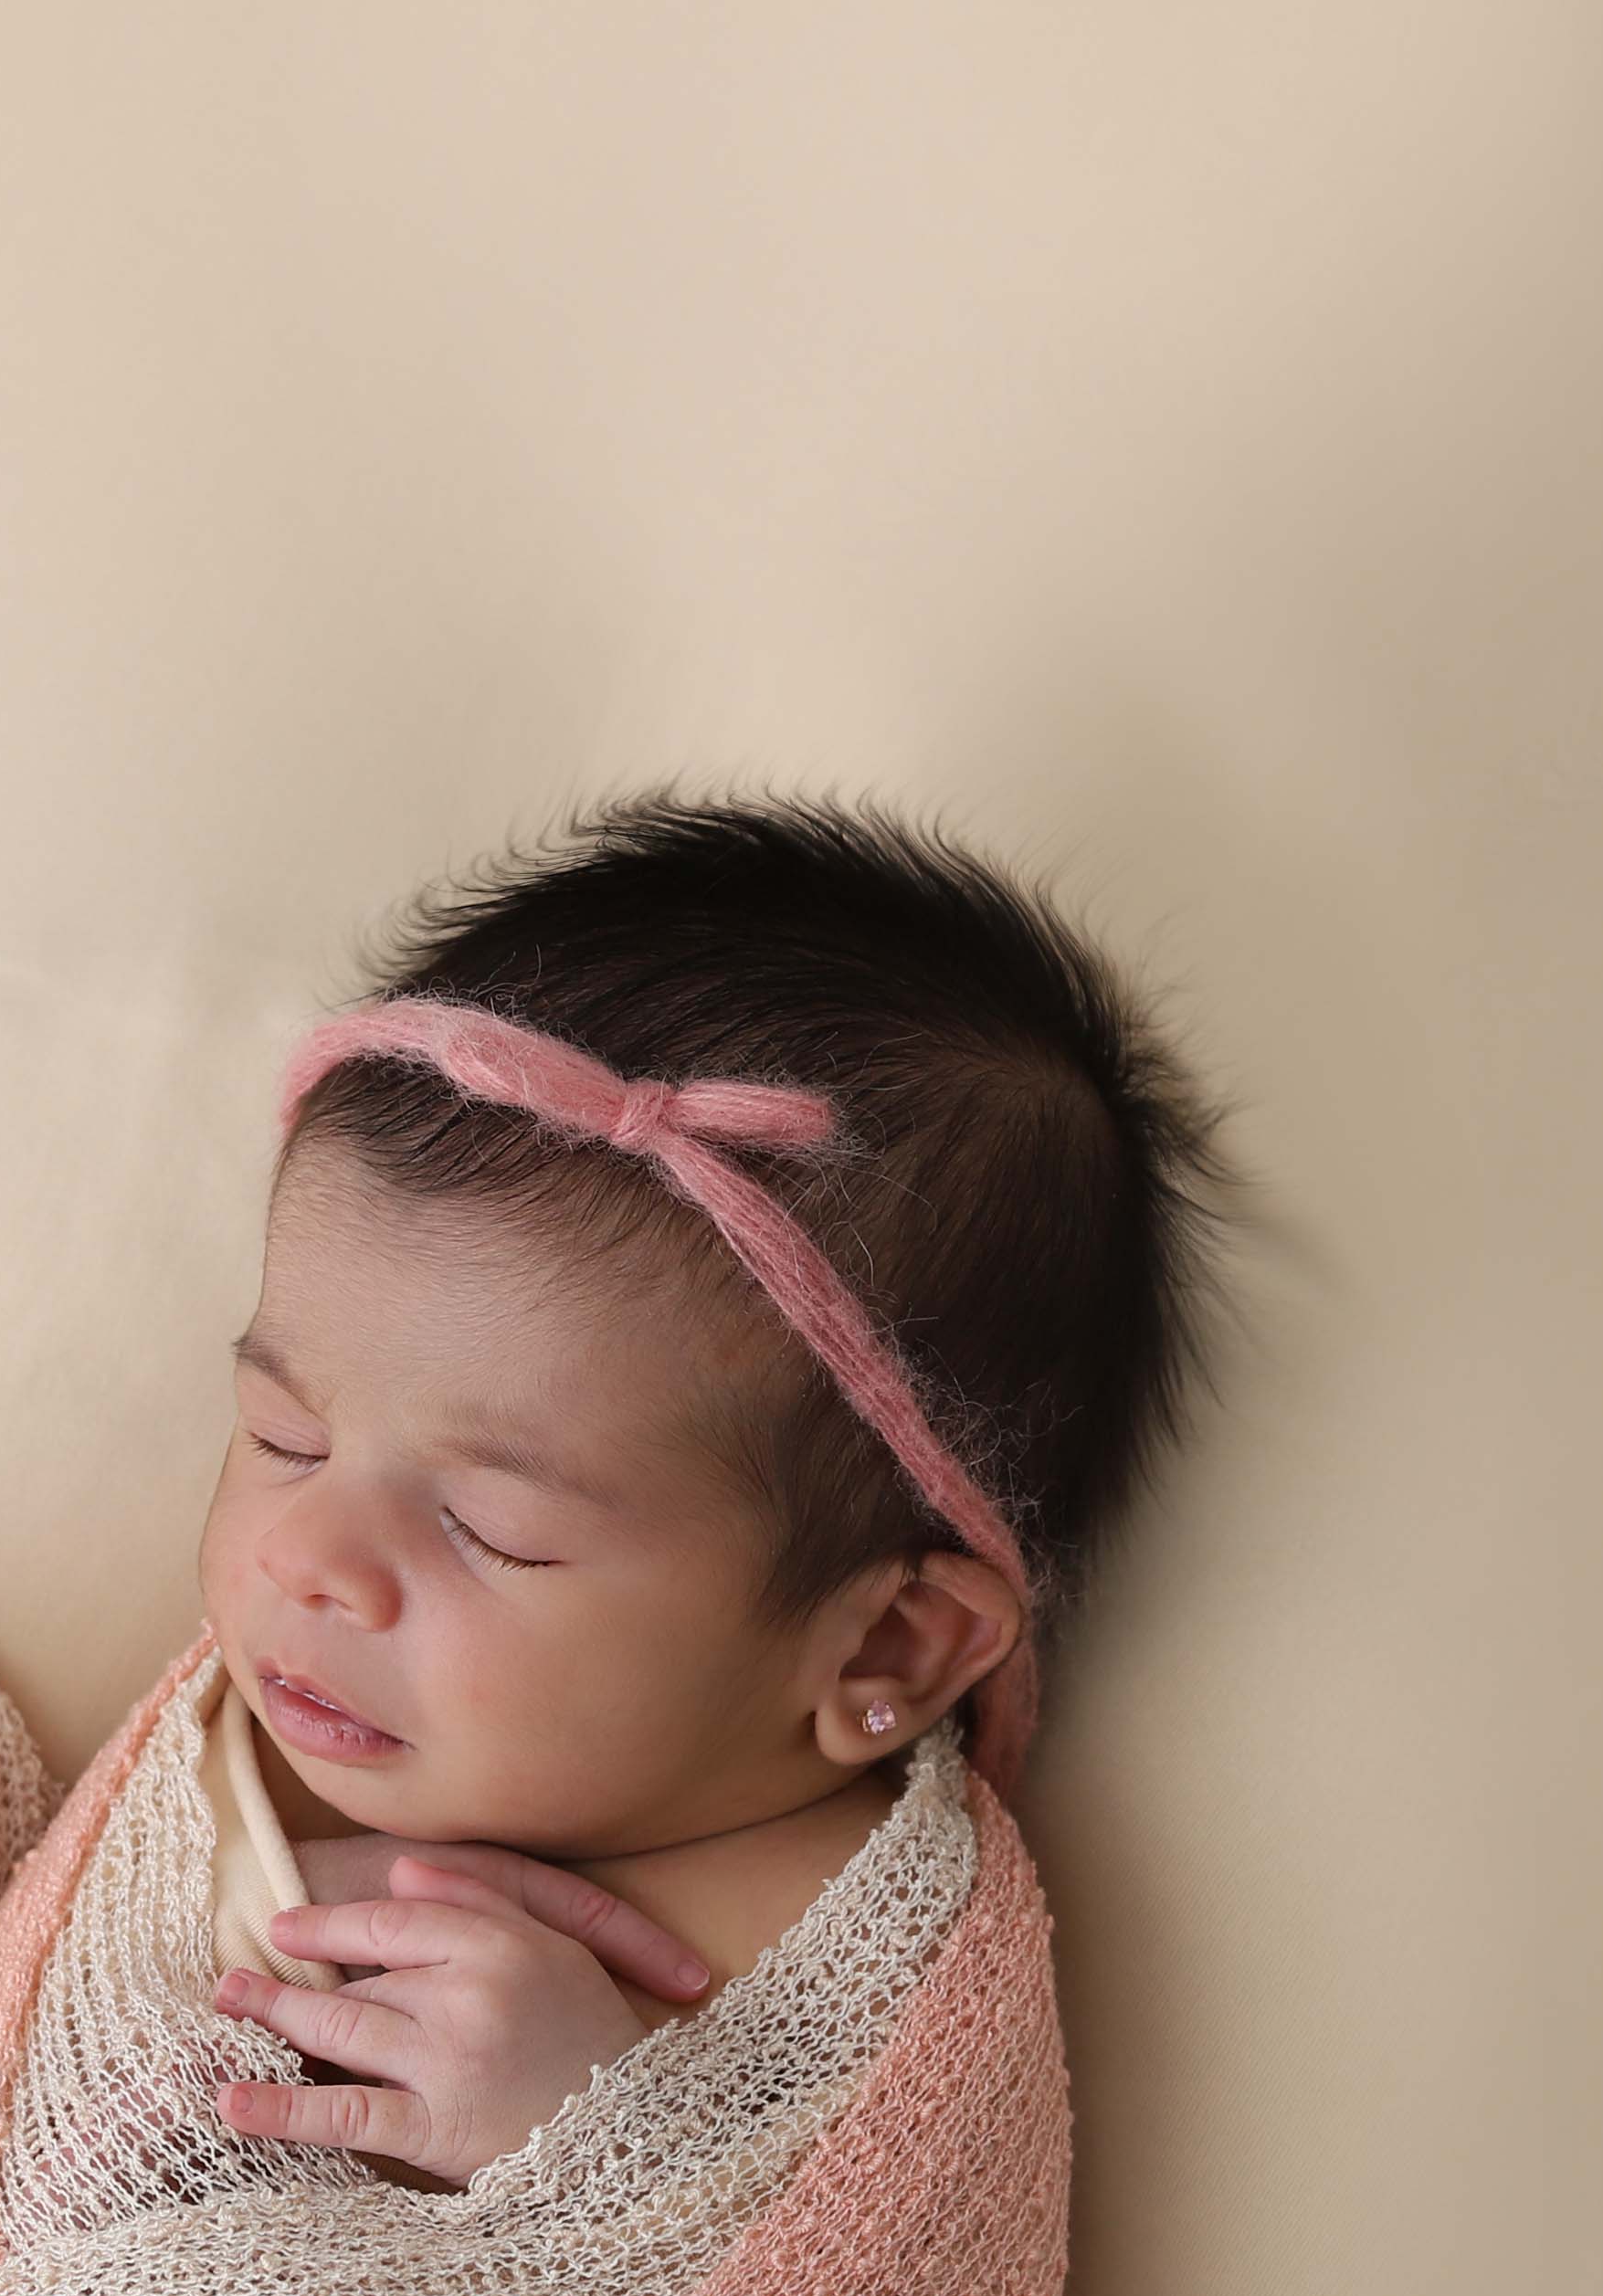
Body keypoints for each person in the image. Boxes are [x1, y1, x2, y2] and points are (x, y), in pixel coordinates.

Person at [180, 791, 1226, 2189]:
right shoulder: (263, 1725)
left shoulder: (862, 1961)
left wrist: (591, 2144)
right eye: (282, 1437)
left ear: (884, 1646)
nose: (305, 1553)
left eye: (492, 1531)